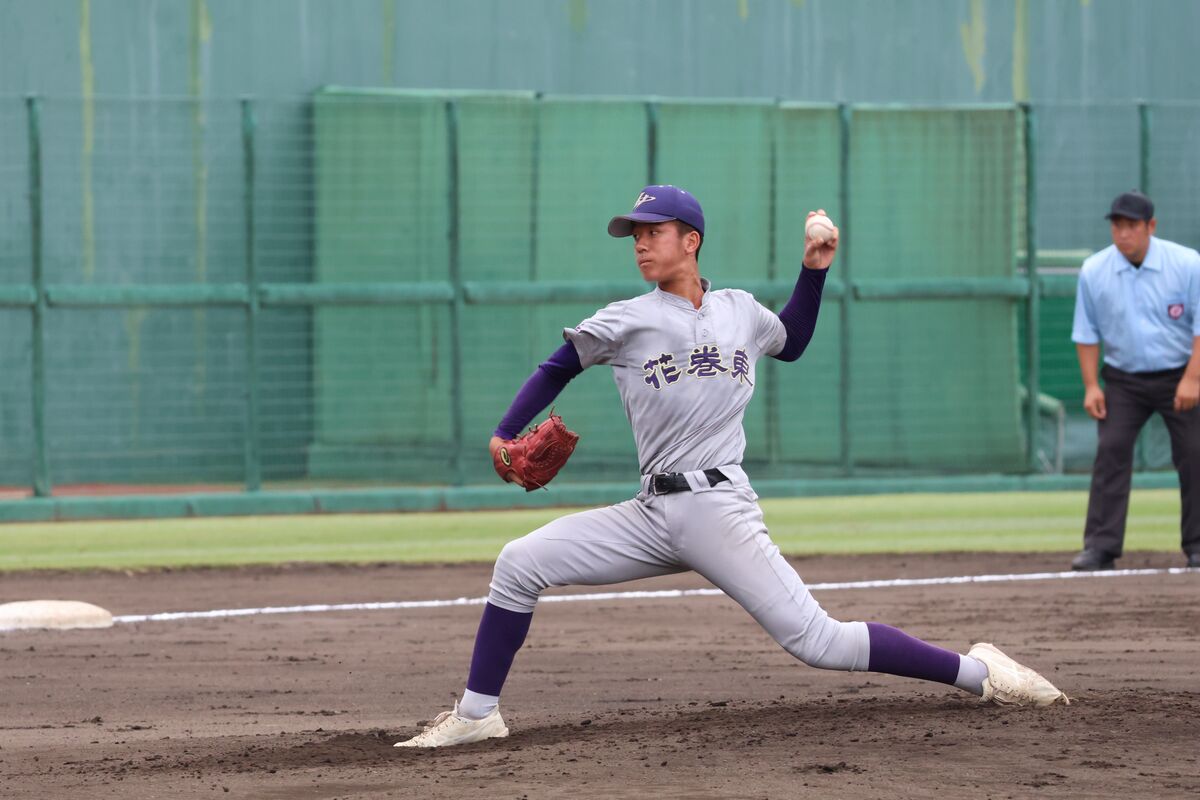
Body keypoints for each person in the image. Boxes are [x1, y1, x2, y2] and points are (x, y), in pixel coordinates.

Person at [395, 185, 1068, 748]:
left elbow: (794, 342)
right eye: (633, 234)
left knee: (817, 641)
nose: (638, 242)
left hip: (718, 508)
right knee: (518, 562)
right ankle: (478, 716)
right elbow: (556, 366)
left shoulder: (740, 311)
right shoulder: (625, 319)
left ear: (691, 240)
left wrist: (815, 267)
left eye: (651, 231)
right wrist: (505, 431)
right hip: (651, 512)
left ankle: (981, 675)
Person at [1070, 190, 1200, 572]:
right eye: (1117, 225)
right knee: (1111, 449)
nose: (1123, 233)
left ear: (1150, 227)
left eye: (1131, 225)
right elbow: (1086, 333)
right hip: (1124, 378)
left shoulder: (1187, 264)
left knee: (1195, 451)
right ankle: (1100, 546)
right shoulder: (1095, 270)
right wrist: (1092, 385)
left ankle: (1198, 544)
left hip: (1179, 373)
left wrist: (1193, 378)